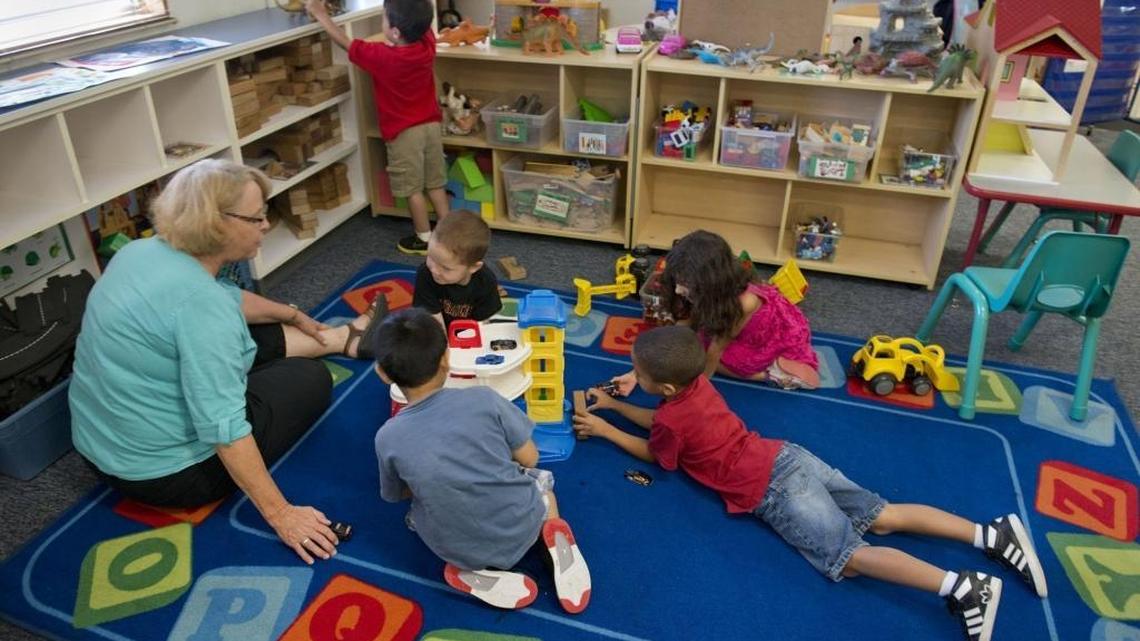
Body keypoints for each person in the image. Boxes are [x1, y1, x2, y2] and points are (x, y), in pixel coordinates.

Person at [573, 325, 1048, 641]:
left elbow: (658, 452)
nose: (632, 377)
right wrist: (615, 406)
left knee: (851, 557)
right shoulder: (697, 386)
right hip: (787, 456)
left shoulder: (672, 417)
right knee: (884, 515)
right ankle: (990, 534)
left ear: (668, 387)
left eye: (639, 372)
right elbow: (662, 422)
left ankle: (962, 587)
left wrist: (606, 429)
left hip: (775, 491)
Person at [70, 159, 386, 565]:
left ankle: (341, 339)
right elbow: (224, 427)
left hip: (98, 449)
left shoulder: (139, 252)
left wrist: (289, 314)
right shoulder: (205, 310)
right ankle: (337, 343)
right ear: (216, 224)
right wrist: (283, 515)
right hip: (167, 476)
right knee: (308, 378)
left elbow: (222, 301)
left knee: (236, 337)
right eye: (257, 218)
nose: (267, 225)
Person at [372, 308, 591, 613]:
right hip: (523, 522)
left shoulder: (387, 437)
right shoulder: (484, 398)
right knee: (545, 488)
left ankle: (468, 569)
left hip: (453, 544)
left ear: (382, 373)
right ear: (447, 358)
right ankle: (554, 534)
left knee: (416, 515)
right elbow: (531, 457)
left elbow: (397, 494)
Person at [307, 0, 447, 255]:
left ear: (395, 32)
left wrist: (321, 15)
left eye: (384, 18)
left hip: (404, 133)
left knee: (413, 188)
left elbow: (346, 43)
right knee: (435, 183)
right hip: (431, 126)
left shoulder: (384, 57)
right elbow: (421, 20)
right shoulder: (427, 45)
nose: (382, 22)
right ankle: (448, 233)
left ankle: (424, 238)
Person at [618, 230, 820, 391]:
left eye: (684, 283)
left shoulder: (743, 302)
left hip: (763, 337)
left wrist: (694, 391)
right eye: (678, 281)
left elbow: (716, 350)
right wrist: (636, 373)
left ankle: (774, 374)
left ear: (709, 280)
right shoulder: (709, 288)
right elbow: (681, 328)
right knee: (687, 347)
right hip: (727, 324)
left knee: (707, 359)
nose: (678, 290)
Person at [412, 209, 502, 327]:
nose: (434, 269)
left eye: (446, 268)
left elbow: (481, 325)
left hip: (469, 331)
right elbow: (432, 321)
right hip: (436, 327)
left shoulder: (485, 281)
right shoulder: (426, 273)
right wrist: (445, 344)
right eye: (431, 258)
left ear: (473, 267)